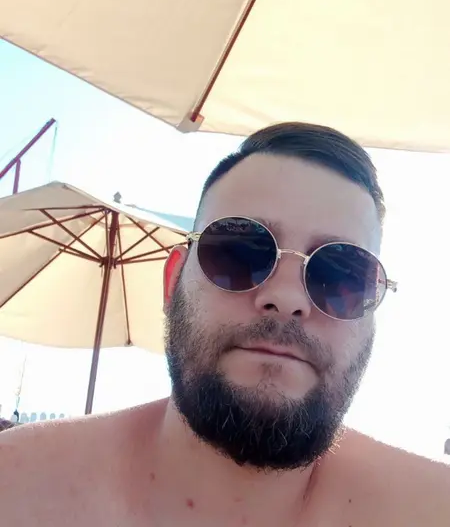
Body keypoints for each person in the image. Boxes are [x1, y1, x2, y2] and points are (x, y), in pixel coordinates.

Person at [0, 122, 449, 526]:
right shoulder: (17, 490)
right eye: (239, 252)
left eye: (342, 274)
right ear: (173, 281)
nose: (287, 298)